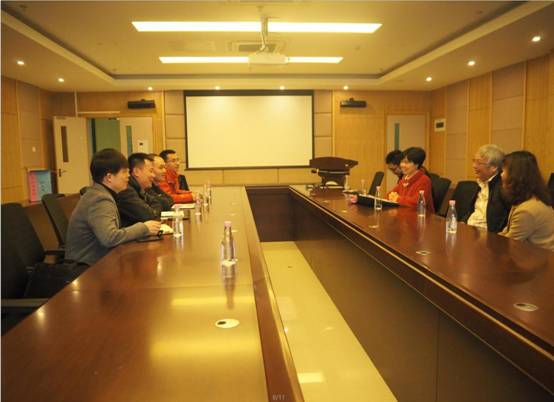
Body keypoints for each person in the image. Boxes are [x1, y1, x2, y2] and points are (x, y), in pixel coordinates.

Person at [65, 149, 160, 266]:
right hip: (87, 267)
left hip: (100, 261)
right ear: (109, 177)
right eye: (124, 172)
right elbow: (110, 238)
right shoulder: (100, 199)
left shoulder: (100, 193)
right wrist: (144, 228)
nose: (128, 176)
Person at [499, 151, 554, 251]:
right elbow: (507, 232)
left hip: (540, 258)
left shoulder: (526, 210)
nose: (501, 175)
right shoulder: (529, 200)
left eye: (503, 171)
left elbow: (509, 244)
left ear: (515, 175)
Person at [464, 144, 510, 232]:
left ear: (494, 167)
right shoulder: (481, 182)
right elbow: (473, 211)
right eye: (474, 161)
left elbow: (500, 222)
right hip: (470, 229)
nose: (474, 166)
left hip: (487, 235)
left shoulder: (503, 187)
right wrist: (463, 222)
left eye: (479, 163)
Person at [117, 153, 163, 226]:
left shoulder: (139, 188)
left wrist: (152, 212)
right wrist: (153, 212)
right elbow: (149, 216)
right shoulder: (126, 191)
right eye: (151, 171)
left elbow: (157, 203)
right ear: (136, 172)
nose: (153, 175)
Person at [387, 147, 434, 212]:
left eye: (406, 163)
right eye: (402, 162)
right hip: (405, 214)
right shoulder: (404, 178)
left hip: (421, 216)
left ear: (416, 164)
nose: (402, 165)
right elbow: (390, 194)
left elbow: (416, 202)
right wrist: (393, 197)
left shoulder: (424, 180)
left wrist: (397, 199)